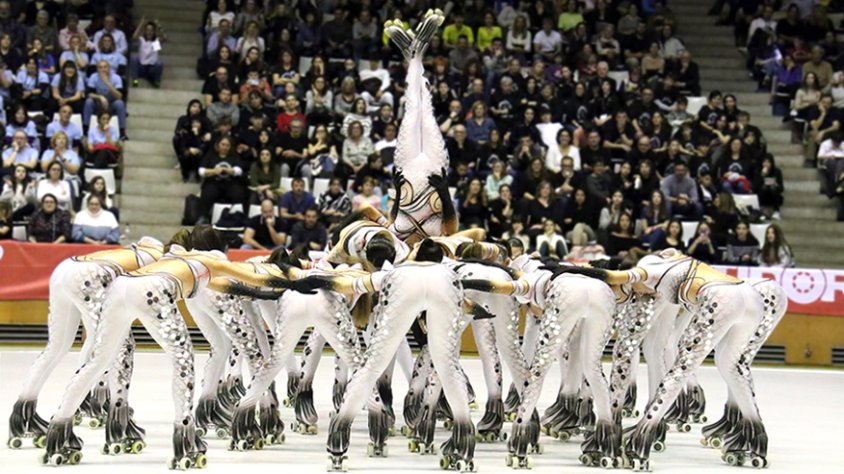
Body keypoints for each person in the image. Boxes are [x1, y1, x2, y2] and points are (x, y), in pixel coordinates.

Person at [198, 136, 247, 222]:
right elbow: (201, 171)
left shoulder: (234, 156)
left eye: (227, 145)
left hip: (230, 183)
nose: (225, 147)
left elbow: (239, 170)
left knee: (238, 193)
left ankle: (239, 217)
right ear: (218, 145)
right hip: (214, 182)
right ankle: (204, 216)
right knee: (208, 193)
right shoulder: (210, 155)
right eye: (223, 144)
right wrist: (214, 171)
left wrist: (226, 170)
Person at [83, 60, 126, 139]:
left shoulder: (116, 78)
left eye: (105, 67)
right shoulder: (93, 77)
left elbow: (119, 96)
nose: (103, 69)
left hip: (111, 102)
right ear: (97, 69)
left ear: (109, 68)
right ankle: (85, 130)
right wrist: (99, 97)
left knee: (120, 103)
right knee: (88, 102)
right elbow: (89, 94)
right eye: (100, 67)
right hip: (98, 103)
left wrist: (107, 83)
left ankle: (122, 132)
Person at [130, 19, 165, 88]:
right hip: (141, 67)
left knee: (159, 63)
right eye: (147, 30)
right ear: (145, 31)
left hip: (151, 69)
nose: (149, 32)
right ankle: (135, 81)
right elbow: (134, 37)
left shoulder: (155, 42)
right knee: (133, 58)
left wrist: (159, 26)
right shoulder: (142, 40)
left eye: (151, 30)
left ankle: (156, 82)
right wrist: (141, 24)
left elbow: (164, 38)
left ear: (154, 31)